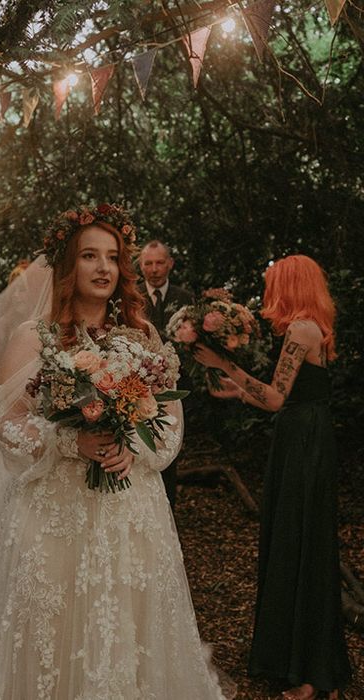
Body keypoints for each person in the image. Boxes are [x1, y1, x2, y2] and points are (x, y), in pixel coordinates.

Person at [0, 205, 230, 699]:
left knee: (126, 629)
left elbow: (170, 425)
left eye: (112, 256)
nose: (104, 267)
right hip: (53, 516)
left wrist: (137, 451)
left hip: (130, 515)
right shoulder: (33, 337)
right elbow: (7, 428)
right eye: (90, 255)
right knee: (54, 631)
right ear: (68, 264)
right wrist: (71, 440)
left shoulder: (144, 337)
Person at [194, 255, 350, 700]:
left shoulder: (302, 329)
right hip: (303, 439)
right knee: (297, 542)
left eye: (273, 284)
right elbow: (286, 396)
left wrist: (225, 365)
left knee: (301, 544)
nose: (267, 294)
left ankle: (315, 675)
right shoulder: (307, 328)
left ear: (290, 285)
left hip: (304, 445)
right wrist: (240, 392)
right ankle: (306, 665)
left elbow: (278, 399)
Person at [138, 240, 195, 509]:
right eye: (148, 263)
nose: (154, 269)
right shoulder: (131, 295)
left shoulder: (184, 298)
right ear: (140, 266)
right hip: (137, 389)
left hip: (176, 389)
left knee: (169, 451)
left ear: (170, 263)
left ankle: (167, 510)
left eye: (159, 262)